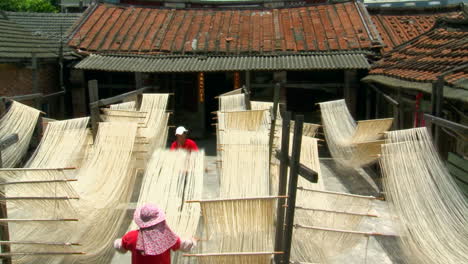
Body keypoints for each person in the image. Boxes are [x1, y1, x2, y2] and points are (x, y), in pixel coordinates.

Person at [113, 204, 197, 264]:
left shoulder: (131, 237)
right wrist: (192, 241)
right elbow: (185, 245)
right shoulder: (166, 237)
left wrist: (117, 242)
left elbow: (120, 247)